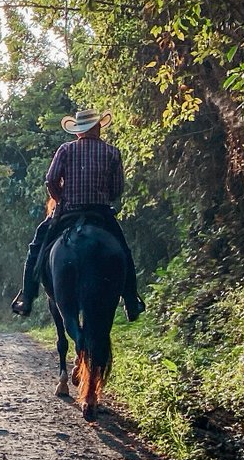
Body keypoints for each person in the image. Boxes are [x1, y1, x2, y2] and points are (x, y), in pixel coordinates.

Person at [10, 107, 145, 322]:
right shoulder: (112, 152)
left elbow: (51, 179)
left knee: (36, 248)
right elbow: (118, 189)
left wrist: (61, 199)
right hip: (101, 213)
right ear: (98, 127)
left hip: (68, 211)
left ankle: (26, 298)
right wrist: (102, 195)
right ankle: (131, 300)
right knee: (124, 251)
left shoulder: (65, 150)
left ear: (78, 131)